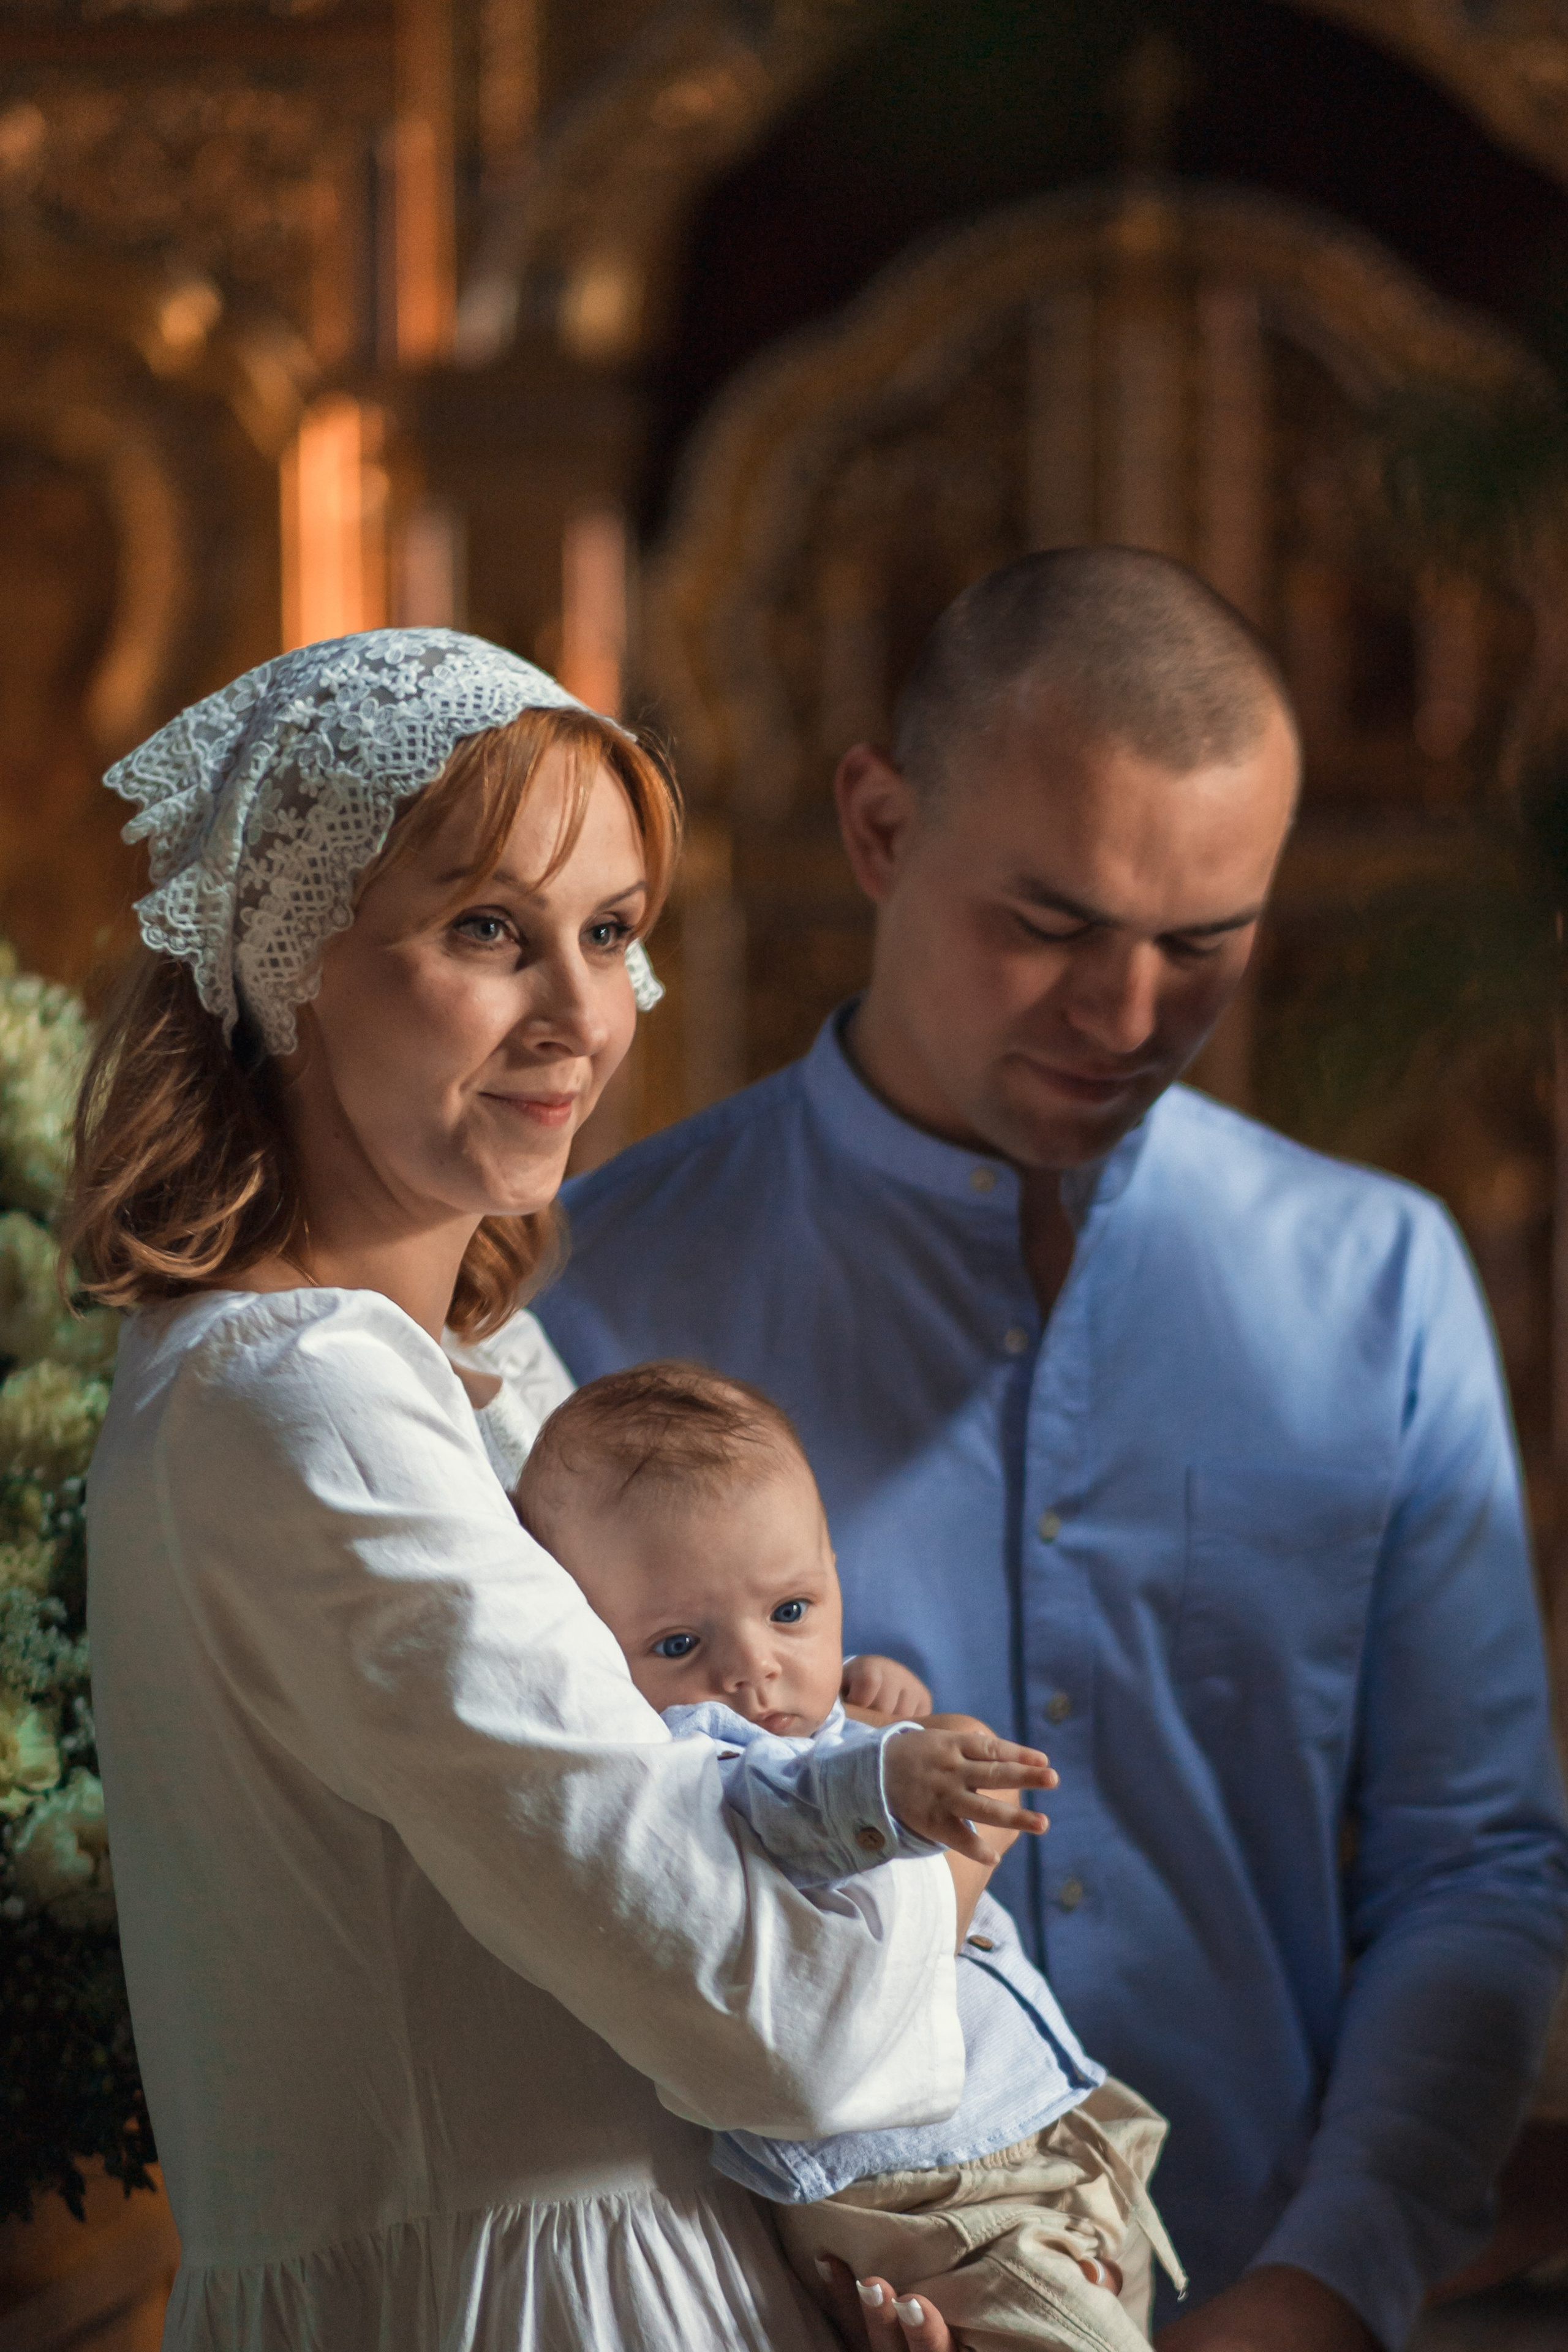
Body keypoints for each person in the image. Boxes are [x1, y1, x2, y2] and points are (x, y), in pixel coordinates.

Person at [535, 548, 1568, 2352]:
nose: (1126, 1016)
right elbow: (534, 1874)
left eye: (1203, 944)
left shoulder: (1381, 1282)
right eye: (1050, 924)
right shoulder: (590, 1291)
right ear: (877, 822)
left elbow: (1472, 1863)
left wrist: (1326, 2291)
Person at [71, 628, 968, 2352]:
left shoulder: (483, 1379)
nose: (585, 1013)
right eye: (491, 930)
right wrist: (943, 1846)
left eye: (615, 933)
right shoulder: (303, 1407)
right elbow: (762, 2008)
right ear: (293, 951)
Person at [513, 1355, 1188, 2352]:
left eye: (792, 1611)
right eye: (677, 1645)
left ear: (834, 1576)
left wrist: (868, 1702)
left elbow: (820, 1748)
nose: (754, 1668)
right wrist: (886, 1775)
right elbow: (785, 1810)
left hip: (1038, 2130)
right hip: (937, 2196)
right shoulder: (686, 1763)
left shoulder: (804, 1716)